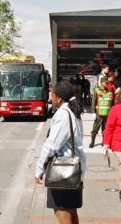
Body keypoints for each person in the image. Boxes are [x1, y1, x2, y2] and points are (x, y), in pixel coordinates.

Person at [35, 81, 86, 224]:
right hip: (74, 170)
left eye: (52, 94)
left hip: (62, 172)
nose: (51, 98)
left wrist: (39, 168)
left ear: (59, 97)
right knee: (71, 212)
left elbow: (52, 145)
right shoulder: (73, 111)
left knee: (62, 214)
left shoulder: (63, 114)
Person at [89, 77, 113, 148]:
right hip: (98, 113)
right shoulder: (97, 90)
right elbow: (93, 102)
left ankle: (104, 142)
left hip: (107, 113)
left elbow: (110, 103)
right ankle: (92, 142)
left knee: (105, 129)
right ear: (101, 83)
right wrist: (93, 112)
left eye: (107, 82)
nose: (106, 83)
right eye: (105, 82)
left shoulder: (109, 91)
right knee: (95, 128)